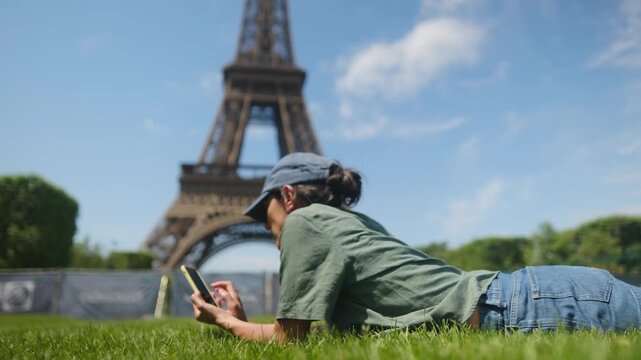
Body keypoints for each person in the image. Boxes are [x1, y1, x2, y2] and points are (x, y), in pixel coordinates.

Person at [190, 152, 641, 342]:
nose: (269, 229)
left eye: (266, 214)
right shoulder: (350, 223)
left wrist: (225, 322)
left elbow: (291, 343)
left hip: (529, 308)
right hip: (535, 297)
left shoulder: (304, 223)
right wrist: (243, 321)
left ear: (287, 197)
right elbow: (307, 335)